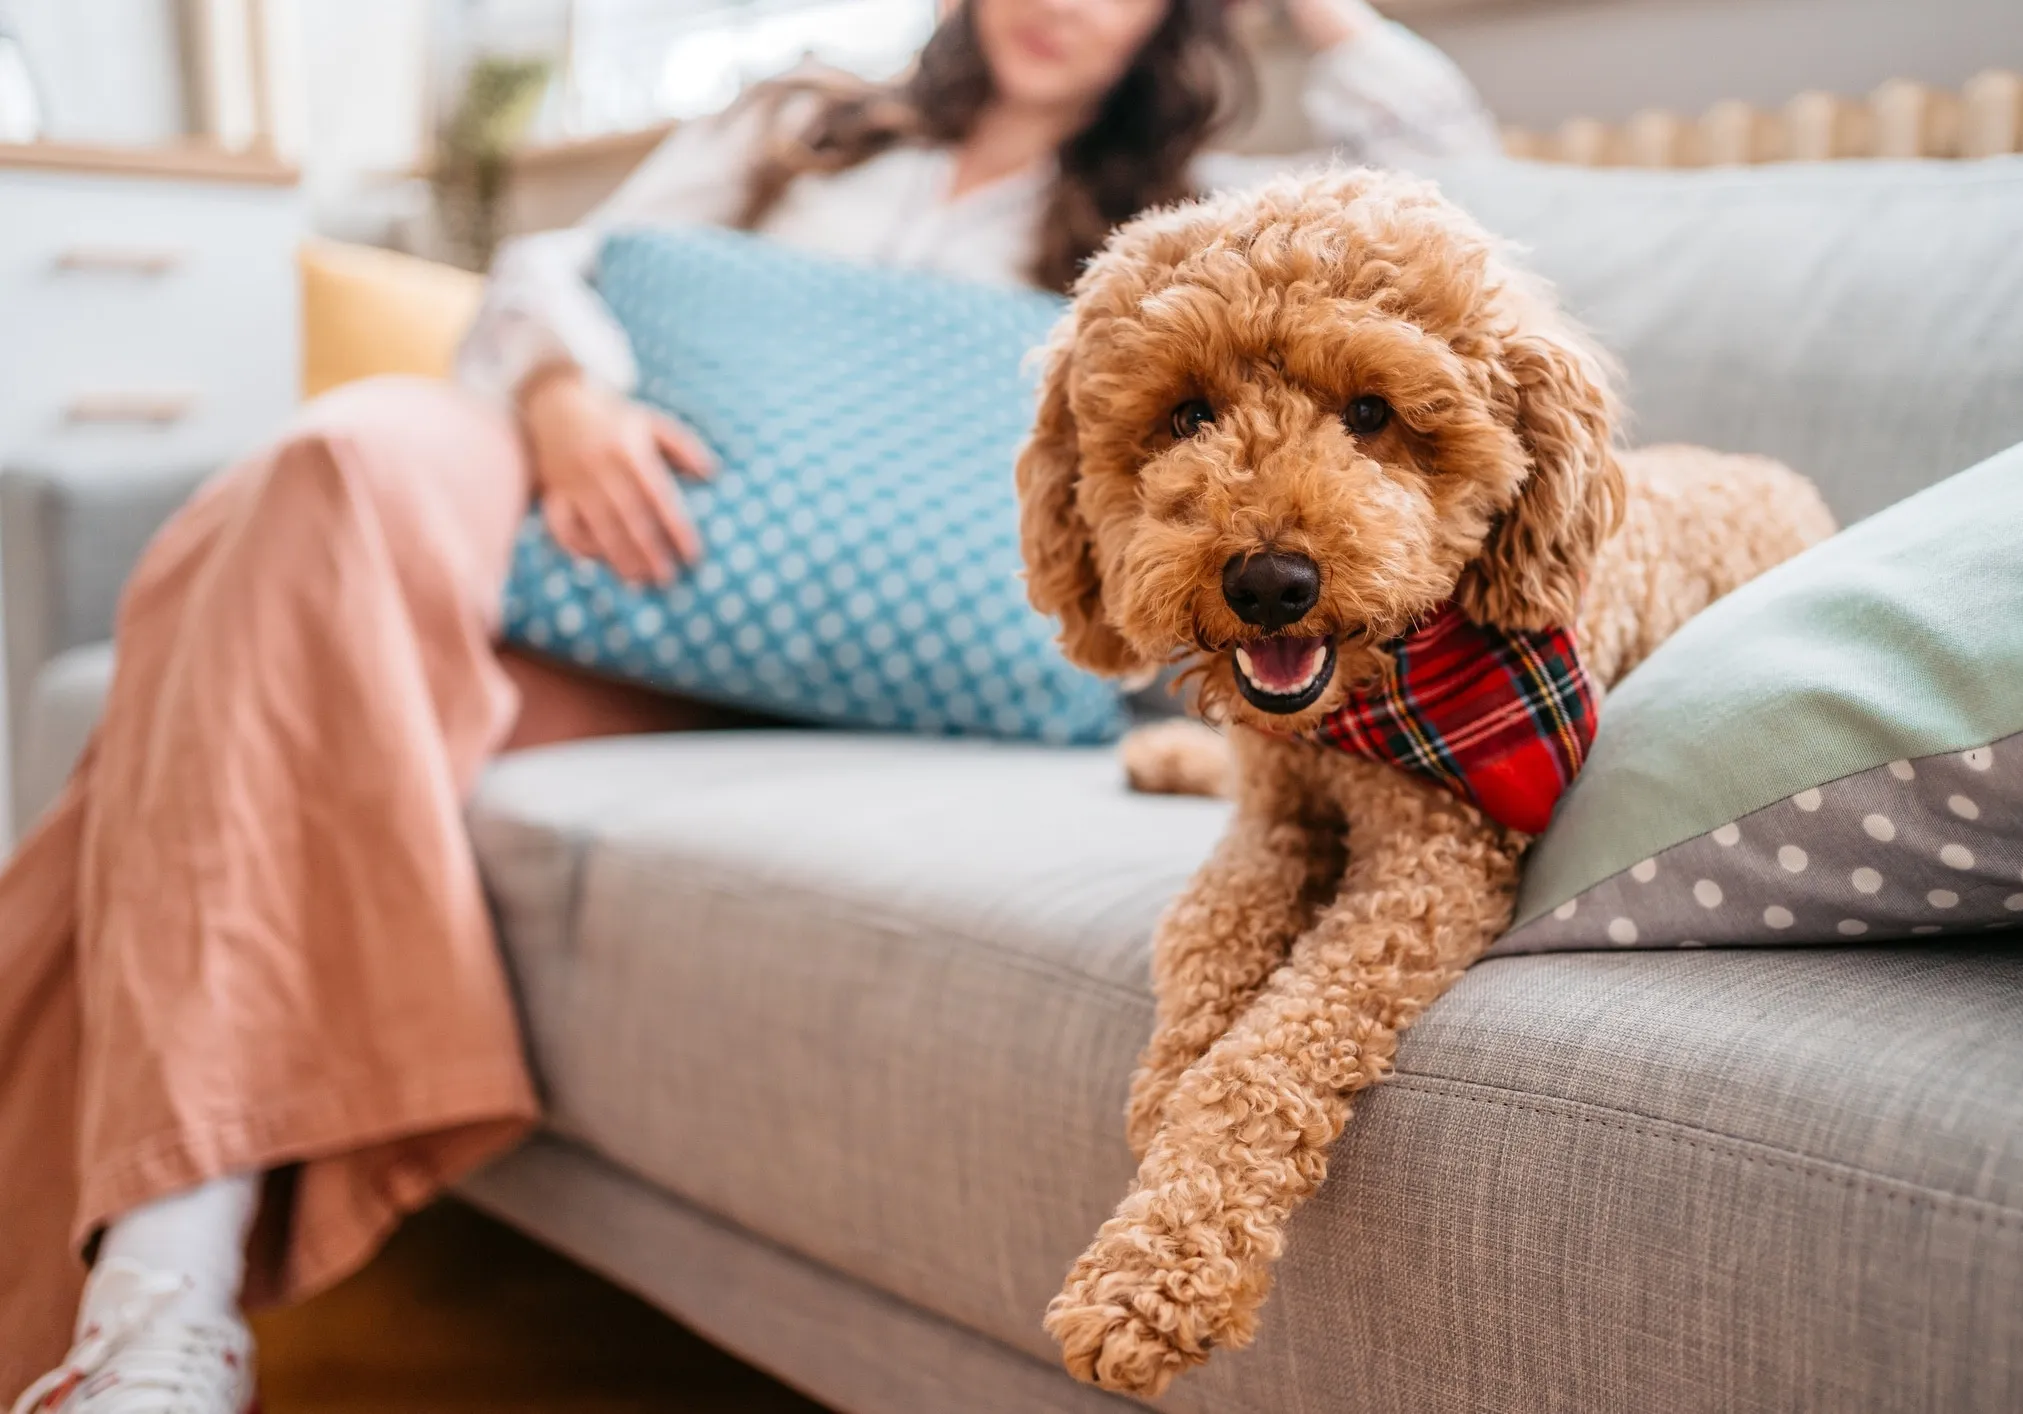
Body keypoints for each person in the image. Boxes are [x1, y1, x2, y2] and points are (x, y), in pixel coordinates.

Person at [0, 0, 1497, 1407]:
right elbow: (558, 266)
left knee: (225, 681)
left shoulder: (1172, 218)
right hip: (603, 557)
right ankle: (157, 1308)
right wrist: (565, 400)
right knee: (333, 467)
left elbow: (1456, 188)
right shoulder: (801, 120)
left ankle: (149, 1310)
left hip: (850, 663)